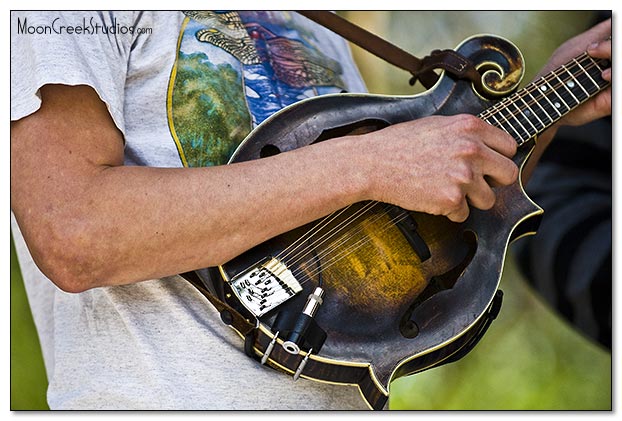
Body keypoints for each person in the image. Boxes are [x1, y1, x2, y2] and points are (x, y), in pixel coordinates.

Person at [10, 11, 611, 410]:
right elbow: (75, 232)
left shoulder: (318, 27)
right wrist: (369, 164)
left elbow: (445, 206)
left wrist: (554, 95)